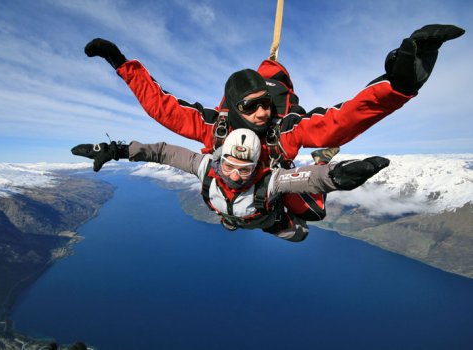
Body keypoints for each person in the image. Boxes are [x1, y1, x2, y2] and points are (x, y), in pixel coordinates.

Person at [82, 24, 464, 222]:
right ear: (232, 109)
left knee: (311, 211)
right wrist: (120, 63)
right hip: (234, 200)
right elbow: (162, 109)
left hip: (275, 192)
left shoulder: (284, 130)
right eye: (253, 107)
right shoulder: (213, 126)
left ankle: (308, 176)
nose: (265, 113)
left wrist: (399, 84)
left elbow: (339, 121)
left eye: (268, 104)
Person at [71, 129, 389, 242]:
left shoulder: (270, 180)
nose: (236, 175)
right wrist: (116, 151)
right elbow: (163, 153)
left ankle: (321, 156)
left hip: (269, 217)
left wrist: (339, 174)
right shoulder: (205, 167)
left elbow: (308, 180)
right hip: (247, 219)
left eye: (245, 168)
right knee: (290, 230)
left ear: (256, 166)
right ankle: (243, 221)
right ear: (220, 158)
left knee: (310, 222)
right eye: (230, 166)